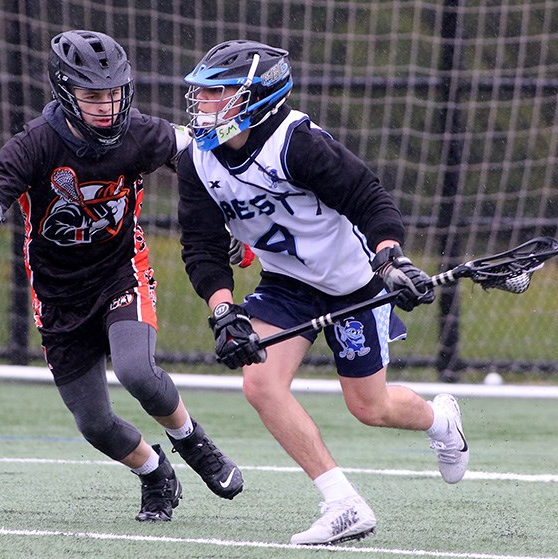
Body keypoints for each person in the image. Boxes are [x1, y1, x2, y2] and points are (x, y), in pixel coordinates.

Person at [0, 30, 244, 522]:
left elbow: (198, 155)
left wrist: (233, 216)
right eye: (93, 96)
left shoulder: (138, 132)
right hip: (58, 296)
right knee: (94, 423)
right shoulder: (36, 143)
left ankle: (192, 441)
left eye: (113, 94)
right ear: (66, 94)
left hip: (120, 273)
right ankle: (154, 471)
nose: (106, 107)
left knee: (138, 372)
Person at [176, 40, 469, 545]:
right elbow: (201, 246)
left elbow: (368, 197)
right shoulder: (196, 163)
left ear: (256, 97)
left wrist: (391, 259)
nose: (203, 107)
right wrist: (224, 312)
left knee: (369, 407)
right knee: (260, 384)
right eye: (200, 96)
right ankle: (342, 503)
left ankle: (441, 420)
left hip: (352, 281)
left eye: (217, 95)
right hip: (287, 282)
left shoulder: (298, 143)